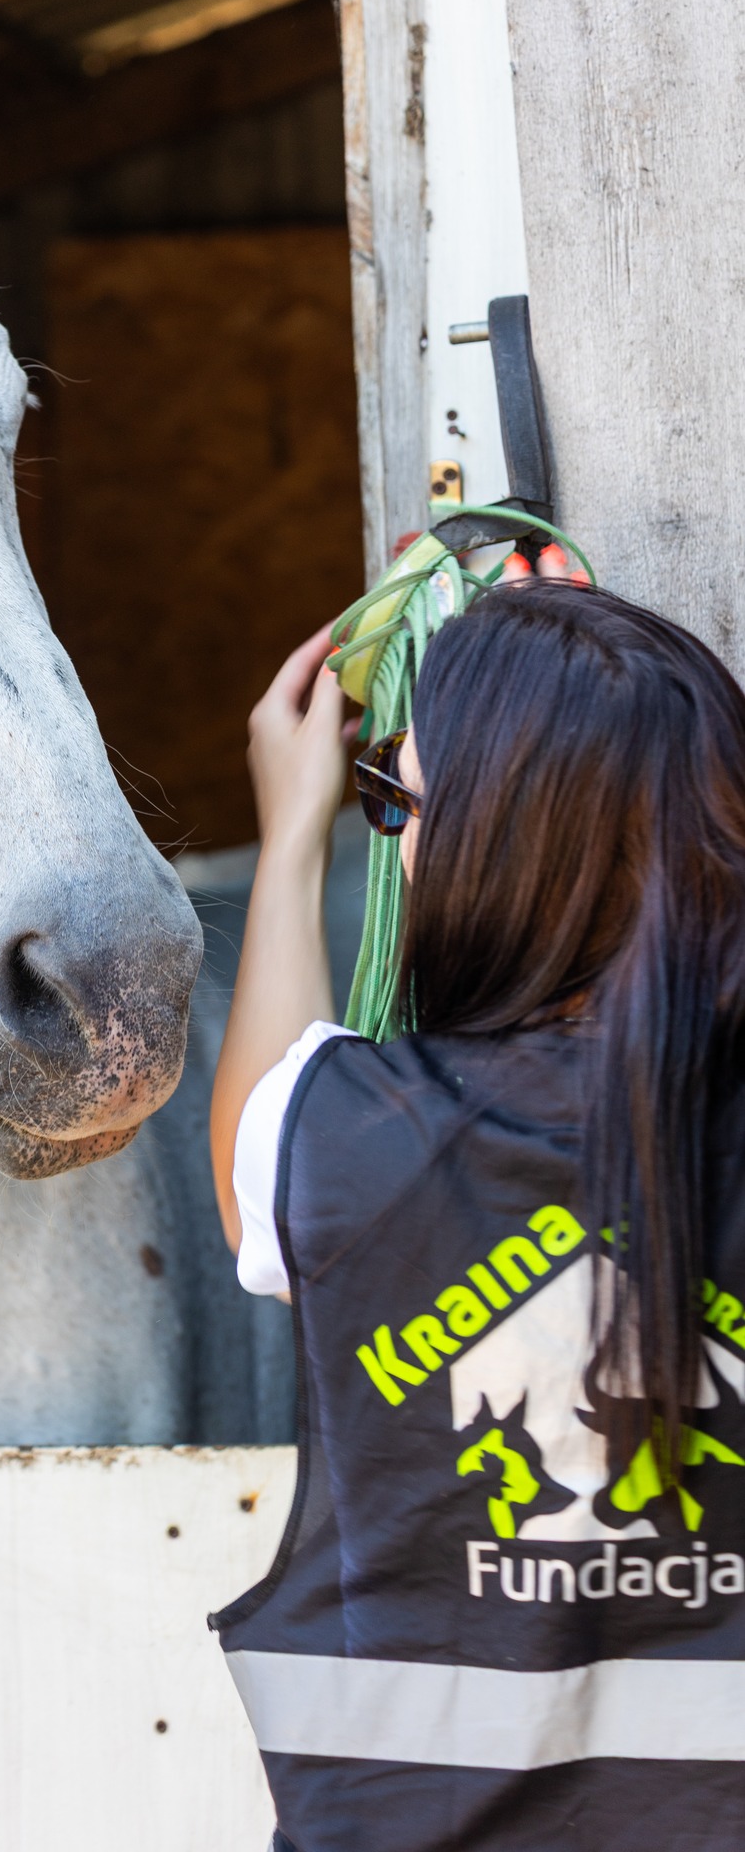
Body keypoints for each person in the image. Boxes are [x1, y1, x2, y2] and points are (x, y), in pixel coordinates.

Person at [208, 579, 745, 1851]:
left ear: (492, 848)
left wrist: (295, 835)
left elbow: (252, 1129)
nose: (392, 836)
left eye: (400, 804)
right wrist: (603, 695)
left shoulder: (341, 1137)